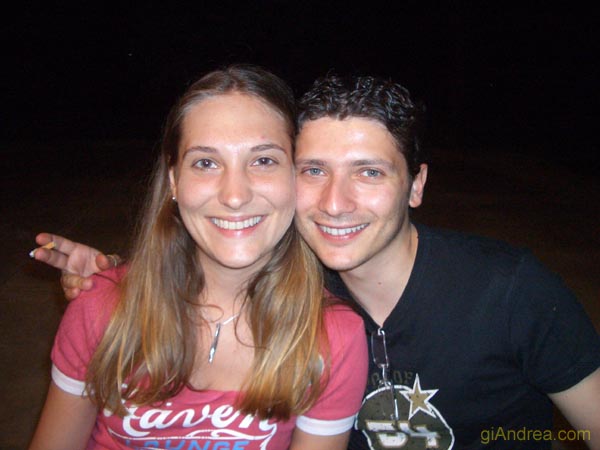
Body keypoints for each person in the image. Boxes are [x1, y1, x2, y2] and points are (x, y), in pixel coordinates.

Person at [32, 73, 600, 449]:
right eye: (314, 170)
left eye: (369, 172)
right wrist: (115, 277)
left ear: (416, 184)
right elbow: (215, 254)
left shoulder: (509, 291)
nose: (334, 203)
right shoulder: (297, 277)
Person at [28, 65, 368, 450]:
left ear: (296, 175)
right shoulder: (102, 307)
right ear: (175, 181)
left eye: (263, 161)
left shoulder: (333, 337)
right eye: (206, 163)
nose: (234, 196)